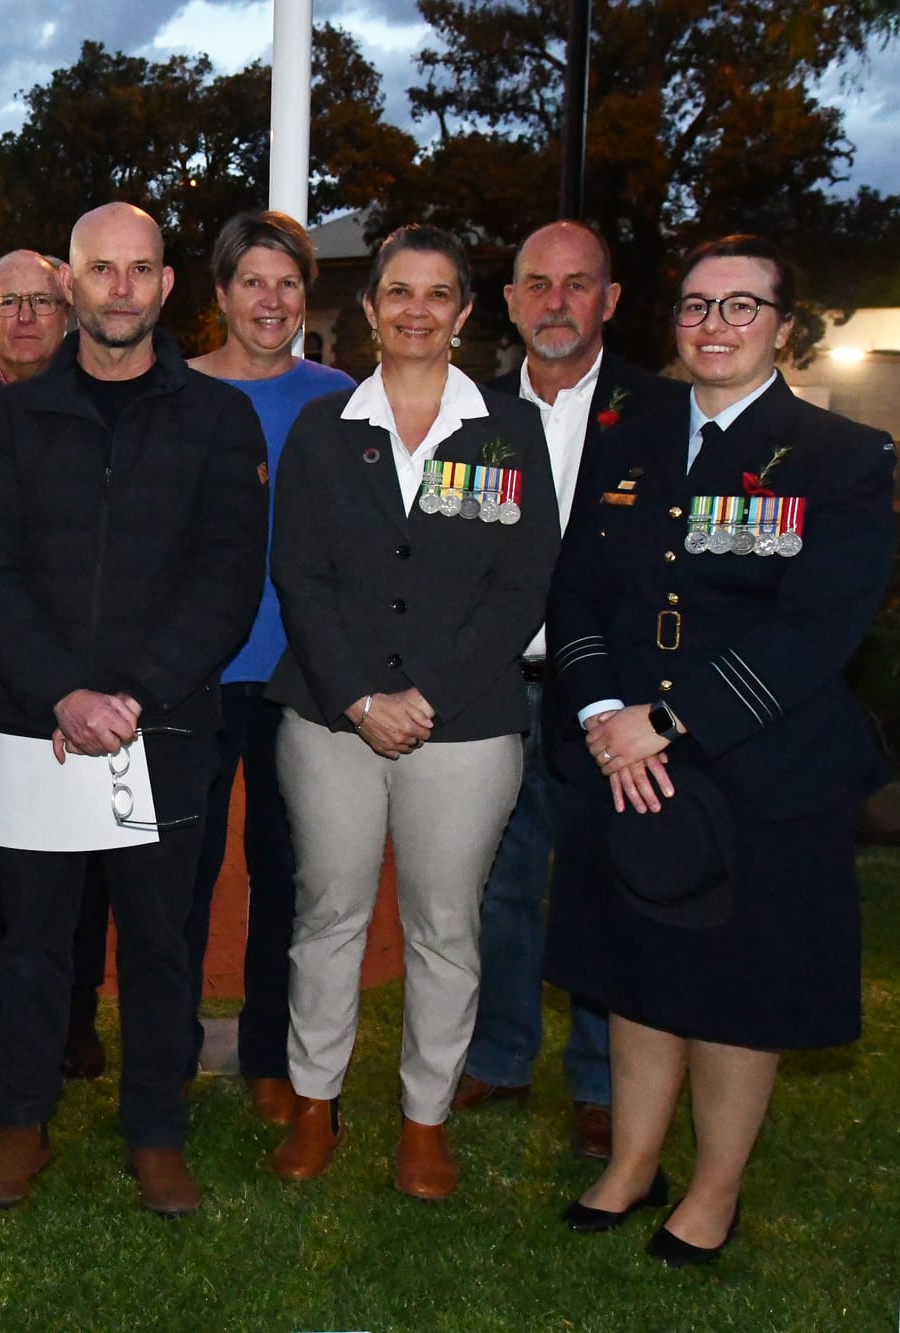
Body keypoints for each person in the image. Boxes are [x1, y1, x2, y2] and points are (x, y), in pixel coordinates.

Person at [545, 234, 896, 1266]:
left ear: (783, 328)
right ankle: (630, 1163)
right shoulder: (630, 432)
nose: (714, 325)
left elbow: (817, 627)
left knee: (738, 990)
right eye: (697, 305)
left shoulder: (837, 456)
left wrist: (665, 721)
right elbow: (576, 589)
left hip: (760, 767)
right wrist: (604, 715)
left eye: (741, 306)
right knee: (639, 970)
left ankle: (713, 1190)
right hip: (628, 758)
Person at [0, 202, 269, 1216]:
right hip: (37, 727)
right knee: (31, 942)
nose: (121, 289)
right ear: (70, 281)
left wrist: (132, 695)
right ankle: (22, 1123)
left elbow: (227, 578)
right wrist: (62, 691)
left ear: (166, 284)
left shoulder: (217, 420)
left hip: (161, 729)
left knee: (159, 943)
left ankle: (155, 1131)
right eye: (102, 269)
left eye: (140, 270)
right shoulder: (9, 419)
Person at [266, 225, 560, 1200]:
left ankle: (424, 1118)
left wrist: (423, 695)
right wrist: (360, 697)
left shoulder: (508, 432)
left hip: (464, 723)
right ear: (369, 307)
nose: (416, 311)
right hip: (330, 717)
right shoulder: (323, 429)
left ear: (465, 311)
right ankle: (315, 1101)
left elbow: (521, 585)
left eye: (437, 294)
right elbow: (299, 575)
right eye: (398, 291)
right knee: (328, 914)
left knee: (444, 925)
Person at [454, 220, 684, 1159]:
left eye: (577, 284)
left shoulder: (664, 413)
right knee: (500, 885)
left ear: (610, 299)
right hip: (493, 689)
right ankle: (500, 1056)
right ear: (510, 302)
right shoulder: (468, 412)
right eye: (537, 284)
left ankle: (599, 1081)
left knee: (602, 887)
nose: (556, 302)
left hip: (608, 702)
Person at [186, 210, 355, 1125]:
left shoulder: (339, 396)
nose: (271, 299)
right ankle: (170, 1041)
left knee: (286, 870)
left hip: (303, 671)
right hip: (196, 670)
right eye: (252, 280)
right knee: (184, 866)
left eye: (288, 282)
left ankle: (269, 1052)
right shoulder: (177, 390)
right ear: (221, 293)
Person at [0, 249, 106, 1078]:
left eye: (43, 301)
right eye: (10, 303)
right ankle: (0, 1025)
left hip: (73, 670)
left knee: (85, 864)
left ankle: (75, 1020)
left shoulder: (103, 397)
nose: (27, 317)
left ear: (68, 312)